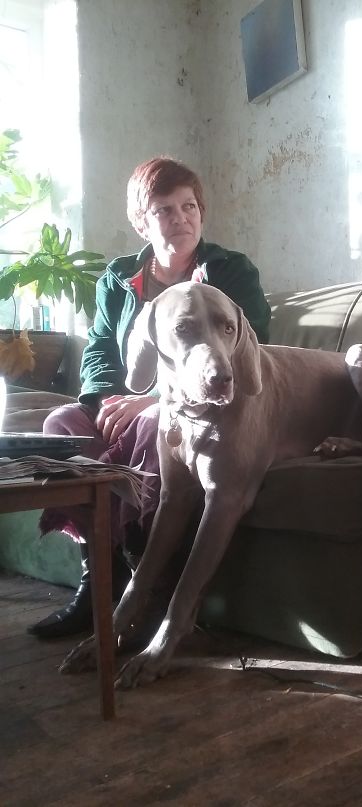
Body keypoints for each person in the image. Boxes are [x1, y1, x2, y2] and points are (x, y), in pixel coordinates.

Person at [28, 156, 271, 639]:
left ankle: (139, 579)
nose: (181, 218)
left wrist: (146, 400)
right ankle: (97, 580)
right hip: (123, 399)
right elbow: (99, 350)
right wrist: (103, 403)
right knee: (61, 426)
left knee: (153, 423)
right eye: (164, 209)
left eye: (189, 207)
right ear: (142, 220)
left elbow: (251, 347)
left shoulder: (229, 271)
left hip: (189, 403)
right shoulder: (117, 280)